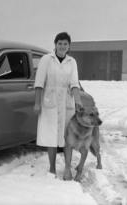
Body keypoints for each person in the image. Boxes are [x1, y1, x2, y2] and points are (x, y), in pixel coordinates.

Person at [33, 32, 83, 175]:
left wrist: (78, 101)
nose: (62, 46)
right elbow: (39, 83)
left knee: (68, 136)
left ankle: (67, 168)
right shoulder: (46, 59)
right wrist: (37, 103)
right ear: (55, 44)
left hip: (66, 102)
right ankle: (52, 167)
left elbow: (74, 83)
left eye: (65, 44)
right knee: (51, 136)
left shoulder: (72, 62)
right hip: (50, 101)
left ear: (69, 46)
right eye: (60, 43)